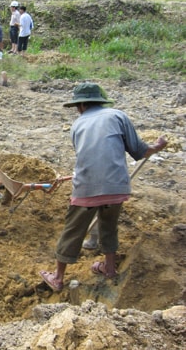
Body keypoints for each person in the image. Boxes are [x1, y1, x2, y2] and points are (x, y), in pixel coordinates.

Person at [39, 83, 168, 292]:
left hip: (86, 186)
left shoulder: (77, 124)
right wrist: (158, 146)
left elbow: (85, 155)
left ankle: (58, 277)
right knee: (109, 226)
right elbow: (140, 150)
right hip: (117, 186)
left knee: (73, 231)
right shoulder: (118, 116)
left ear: (80, 105)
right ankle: (109, 268)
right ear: (100, 101)